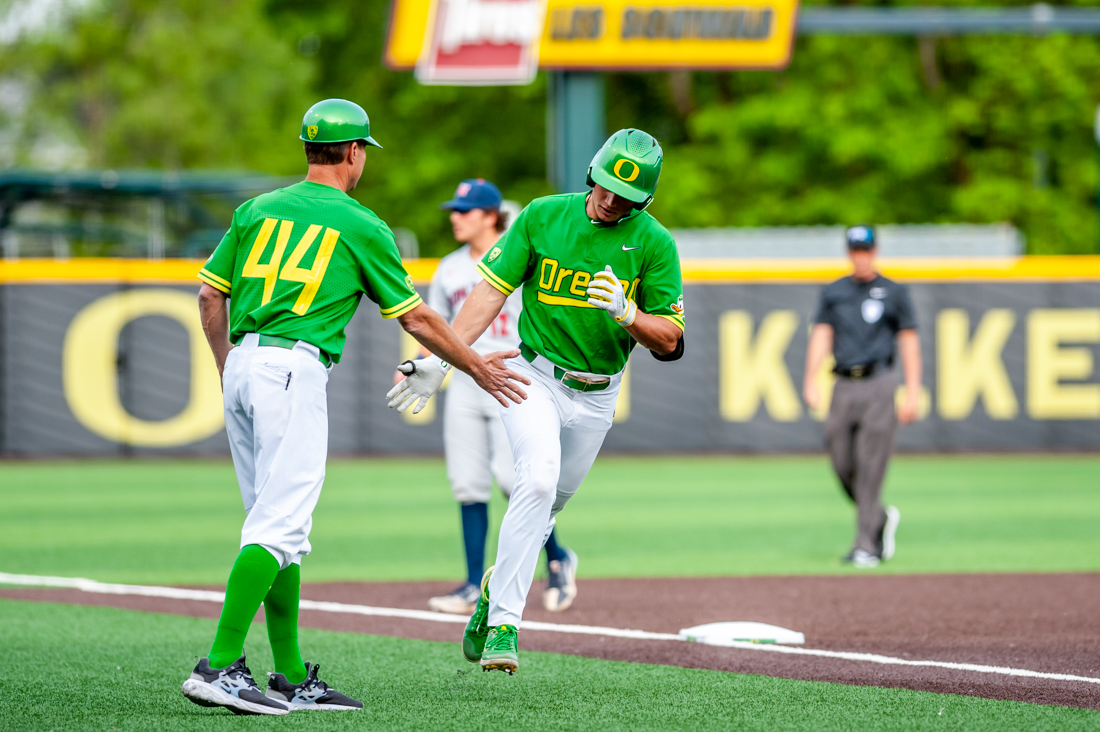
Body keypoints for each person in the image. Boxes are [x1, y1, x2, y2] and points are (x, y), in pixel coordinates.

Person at [185, 99, 527, 715]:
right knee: (278, 525)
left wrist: (226, 365)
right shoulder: (360, 222)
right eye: (363, 149)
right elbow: (417, 317)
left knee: (278, 524)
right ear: (352, 153)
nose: (362, 158)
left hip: (243, 363)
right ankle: (220, 667)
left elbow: (211, 295)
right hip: (293, 369)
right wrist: (472, 364)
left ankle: (288, 674)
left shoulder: (256, 209)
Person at [388, 128, 685, 674]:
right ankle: (505, 623)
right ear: (592, 173)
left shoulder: (654, 243)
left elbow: (670, 340)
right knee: (538, 477)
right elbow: (490, 293)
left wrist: (630, 315)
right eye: (603, 187)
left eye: (627, 198)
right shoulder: (544, 215)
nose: (611, 200)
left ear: (645, 200)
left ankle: (489, 594)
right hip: (533, 377)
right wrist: (441, 359)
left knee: (547, 508)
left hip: (598, 396)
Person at [414, 178, 578, 616]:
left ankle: (558, 557)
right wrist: (420, 361)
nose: (454, 217)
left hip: (513, 376)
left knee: (516, 480)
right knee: (467, 482)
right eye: (454, 209)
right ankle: (472, 584)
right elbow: (439, 325)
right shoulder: (448, 268)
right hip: (466, 379)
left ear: (491, 215)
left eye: (464, 211)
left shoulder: (523, 251)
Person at [802, 225, 921, 569]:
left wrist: (912, 390)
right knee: (841, 461)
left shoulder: (892, 292)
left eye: (866, 250)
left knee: (871, 465)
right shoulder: (835, 292)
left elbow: (909, 342)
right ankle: (879, 517)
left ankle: (865, 545)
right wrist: (811, 379)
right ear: (848, 252)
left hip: (879, 382)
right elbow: (822, 335)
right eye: (855, 250)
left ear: (875, 251)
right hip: (842, 383)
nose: (861, 256)